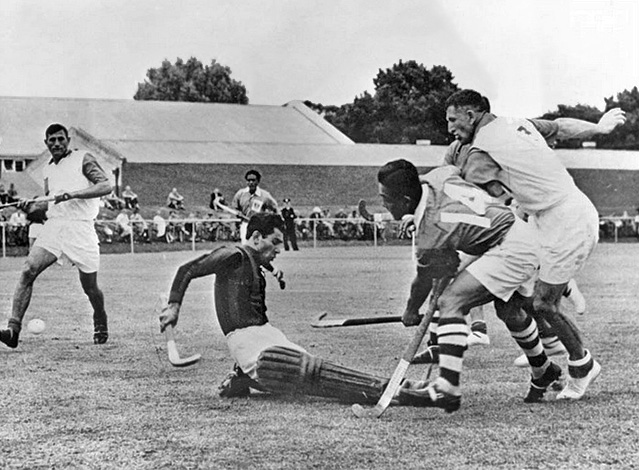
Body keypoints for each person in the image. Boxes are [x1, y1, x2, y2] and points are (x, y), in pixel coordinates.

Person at [442, 90, 625, 399]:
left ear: (471, 115)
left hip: (568, 221)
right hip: (541, 220)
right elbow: (560, 126)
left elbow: (465, 190)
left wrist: (425, 201)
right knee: (508, 302)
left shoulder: (481, 151)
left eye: (452, 119)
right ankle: (543, 368)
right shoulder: (517, 124)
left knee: (543, 302)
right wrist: (598, 127)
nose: (450, 128)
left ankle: (582, 365)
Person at [158, 213, 426, 406]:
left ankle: (242, 378)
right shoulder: (233, 254)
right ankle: (395, 389)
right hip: (249, 343)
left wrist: (275, 270)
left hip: (267, 335)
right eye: (275, 242)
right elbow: (189, 269)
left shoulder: (251, 259)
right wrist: (173, 307)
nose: (279, 249)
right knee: (306, 371)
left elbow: (260, 265)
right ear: (255, 237)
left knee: (316, 371)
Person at [378, 160, 560, 412]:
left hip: (510, 247)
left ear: (406, 200)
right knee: (509, 311)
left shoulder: (430, 236)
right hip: (516, 233)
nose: (383, 204)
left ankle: (447, 389)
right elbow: (452, 177)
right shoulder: (438, 176)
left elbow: (423, 282)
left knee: (451, 302)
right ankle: (543, 370)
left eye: (386, 199)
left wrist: (410, 311)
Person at [0, 123, 112, 348]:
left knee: (90, 287)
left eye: (61, 139)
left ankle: (100, 317)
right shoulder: (48, 169)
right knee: (28, 270)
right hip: (55, 227)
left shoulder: (83, 159)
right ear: (46, 143)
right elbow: (48, 204)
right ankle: (13, 330)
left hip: (81, 229)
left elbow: (105, 185)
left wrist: (72, 195)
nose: (57, 143)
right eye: (52, 140)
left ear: (68, 140)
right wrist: (28, 206)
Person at [231, 169, 278, 241]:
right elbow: (234, 209)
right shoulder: (240, 194)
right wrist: (234, 228)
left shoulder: (265, 195)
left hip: (260, 226)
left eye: (253, 180)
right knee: (246, 246)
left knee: (259, 248)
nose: (251, 182)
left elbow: (275, 208)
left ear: (258, 181)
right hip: (245, 224)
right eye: (248, 180)